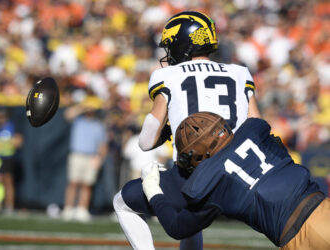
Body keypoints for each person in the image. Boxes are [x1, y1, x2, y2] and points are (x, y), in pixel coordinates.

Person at [113, 11, 260, 250]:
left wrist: (170, 131)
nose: (169, 52)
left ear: (183, 43)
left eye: (171, 45)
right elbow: (258, 125)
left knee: (122, 201)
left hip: (196, 177)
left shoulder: (167, 75)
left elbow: (146, 141)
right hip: (242, 176)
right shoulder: (240, 73)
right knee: (191, 216)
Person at [141, 112, 330, 250]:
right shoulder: (254, 131)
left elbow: (177, 227)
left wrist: (152, 191)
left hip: (300, 238)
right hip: (324, 208)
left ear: (196, 155)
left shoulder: (209, 182)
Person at [61, 104, 108, 222]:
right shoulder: (78, 121)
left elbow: (102, 145)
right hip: (77, 154)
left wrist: (100, 158)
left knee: (87, 184)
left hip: (91, 156)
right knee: (73, 182)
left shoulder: (99, 125)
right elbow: (67, 114)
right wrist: (83, 107)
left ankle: (82, 209)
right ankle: (68, 208)